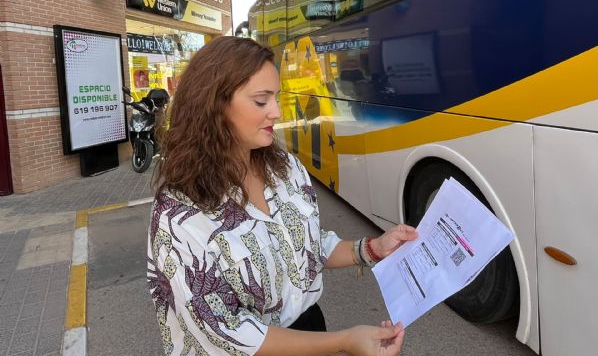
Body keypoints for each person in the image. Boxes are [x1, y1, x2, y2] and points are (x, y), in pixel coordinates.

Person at [147, 37, 418, 355]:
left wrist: (372, 249)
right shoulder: (179, 213)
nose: (276, 111)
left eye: (276, 97)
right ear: (214, 106)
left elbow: (307, 249)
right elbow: (227, 331)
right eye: (261, 101)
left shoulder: (285, 168)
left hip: (310, 331)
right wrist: (345, 342)